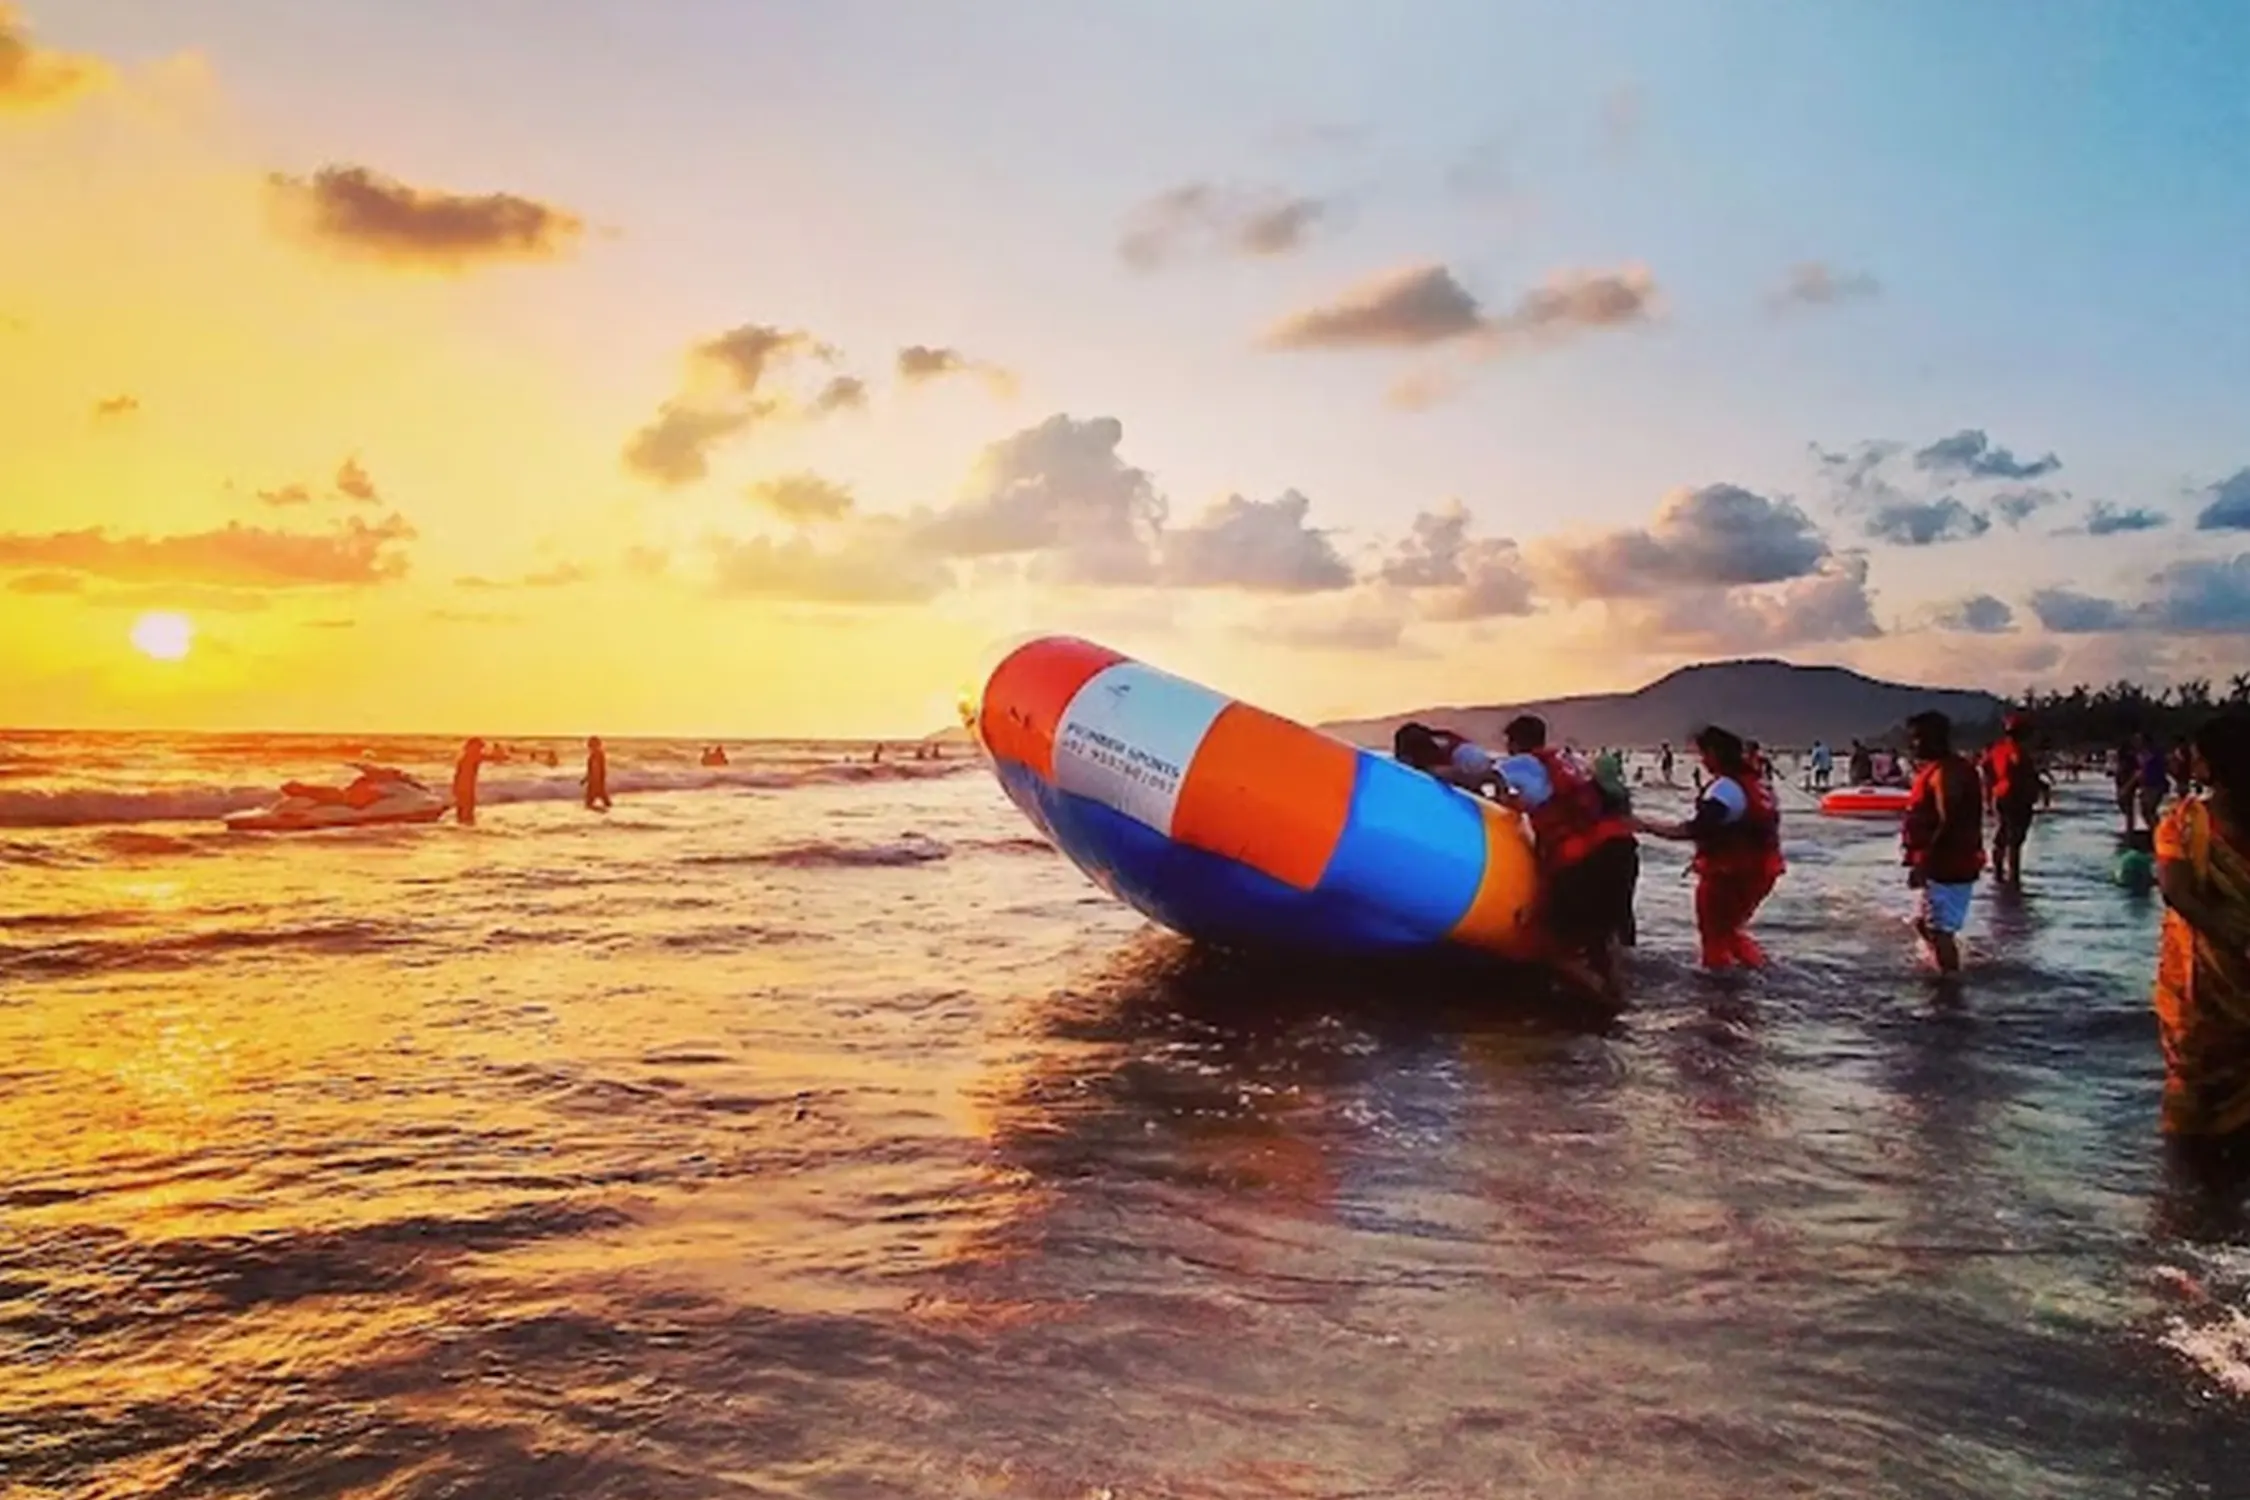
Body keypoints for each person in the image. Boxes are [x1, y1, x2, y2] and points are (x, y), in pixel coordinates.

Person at [1477, 715, 1641, 1005]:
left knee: (1551, 946)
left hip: (1582, 861)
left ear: (1514, 743)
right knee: (1598, 939)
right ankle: (1619, 997)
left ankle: (1604, 1001)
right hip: (1618, 849)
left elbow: (1479, 776)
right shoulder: (1570, 760)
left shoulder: (1521, 763)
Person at [2150, 709, 2250, 1154]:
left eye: (2193, 755)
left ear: (2211, 765)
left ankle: (2188, 1214)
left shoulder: (2185, 823)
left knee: (2191, 1113)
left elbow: (2175, 890)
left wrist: (2224, 931)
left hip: (2203, 990)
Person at [1635, 724, 1785, 971]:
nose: (1702, 761)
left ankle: (1720, 992)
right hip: (1761, 872)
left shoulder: (1724, 789)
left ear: (1714, 753)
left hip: (1728, 874)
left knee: (1714, 935)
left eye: (1703, 754)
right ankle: (1757, 971)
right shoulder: (1759, 786)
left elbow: (1695, 829)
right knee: (1730, 930)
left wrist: (1645, 825)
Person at [1901, 710, 1985, 975]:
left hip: (1947, 865)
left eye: (1917, 739)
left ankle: (1949, 989)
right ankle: (1945, 964)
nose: (1912, 745)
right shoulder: (1942, 770)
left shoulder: (1948, 773)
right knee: (1924, 923)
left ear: (1934, 738)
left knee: (1938, 930)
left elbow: (1950, 821)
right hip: (1944, 863)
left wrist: (1925, 863)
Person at [1982, 712, 2047, 886]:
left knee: (2002, 835)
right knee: (2015, 841)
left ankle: (1998, 874)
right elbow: (2023, 772)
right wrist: (2040, 789)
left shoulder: (1998, 749)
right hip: (2018, 799)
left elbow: (1985, 767)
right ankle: (2013, 878)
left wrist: (1991, 790)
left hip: (2001, 796)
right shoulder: (2018, 752)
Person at [451, 737, 486, 825]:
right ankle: (466, 824)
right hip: (466, 788)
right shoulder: (471, 757)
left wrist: (455, 787)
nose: (480, 750)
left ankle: (463, 825)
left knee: (463, 810)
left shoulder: (464, 758)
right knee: (466, 810)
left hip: (464, 787)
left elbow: (457, 775)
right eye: (479, 747)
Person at [583, 736, 611, 811]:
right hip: (598, 781)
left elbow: (596, 769)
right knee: (604, 799)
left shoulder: (596, 754)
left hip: (595, 782)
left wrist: (594, 781)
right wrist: (585, 778)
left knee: (589, 802)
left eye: (590, 743)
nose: (588, 745)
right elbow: (592, 769)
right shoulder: (598, 754)